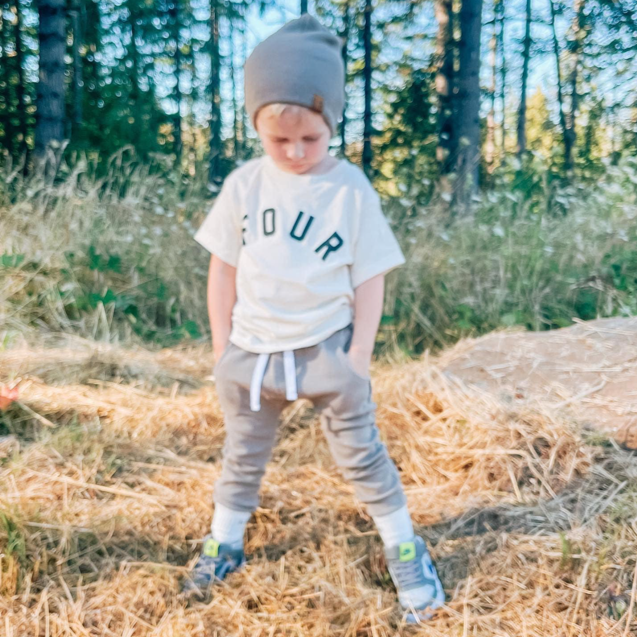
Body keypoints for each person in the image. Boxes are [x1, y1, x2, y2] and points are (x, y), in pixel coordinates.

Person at [183, 14, 445, 623]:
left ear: (332, 124)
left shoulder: (349, 189)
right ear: (256, 124)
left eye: (311, 137)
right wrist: (222, 350)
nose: (297, 152)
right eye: (281, 140)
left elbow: (370, 274)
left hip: (327, 348)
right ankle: (224, 543)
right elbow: (223, 270)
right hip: (252, 352)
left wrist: (358, 357)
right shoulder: (244, 185)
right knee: (242, 454)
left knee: (362, 455)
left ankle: (405, 550)